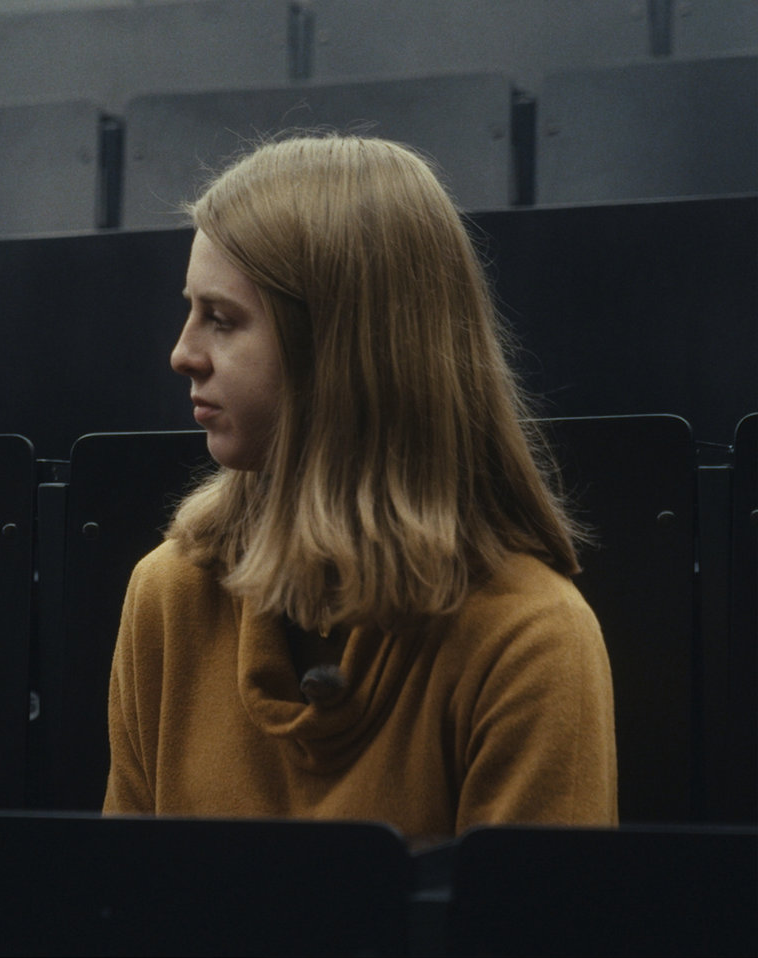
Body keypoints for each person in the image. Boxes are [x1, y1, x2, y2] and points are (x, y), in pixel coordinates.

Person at [104, 134, 616, 841]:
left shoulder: (530, 638)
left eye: (221, 319)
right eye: (191, 311)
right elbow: (123, 894)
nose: (182, 353)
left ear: (340, 351)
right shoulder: (169, 595)